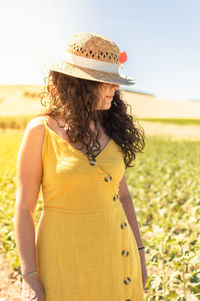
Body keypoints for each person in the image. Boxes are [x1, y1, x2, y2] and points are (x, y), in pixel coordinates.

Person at [14, 31, 148, 301]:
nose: (115, 88)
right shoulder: (40, 131)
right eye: (106, 82)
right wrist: (29, 277)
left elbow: (122, 195)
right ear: (80, 84)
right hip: (61, 262)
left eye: (115, 82)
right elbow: (24, 209)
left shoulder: (112, 127)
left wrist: (141, 256)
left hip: (117, 257)